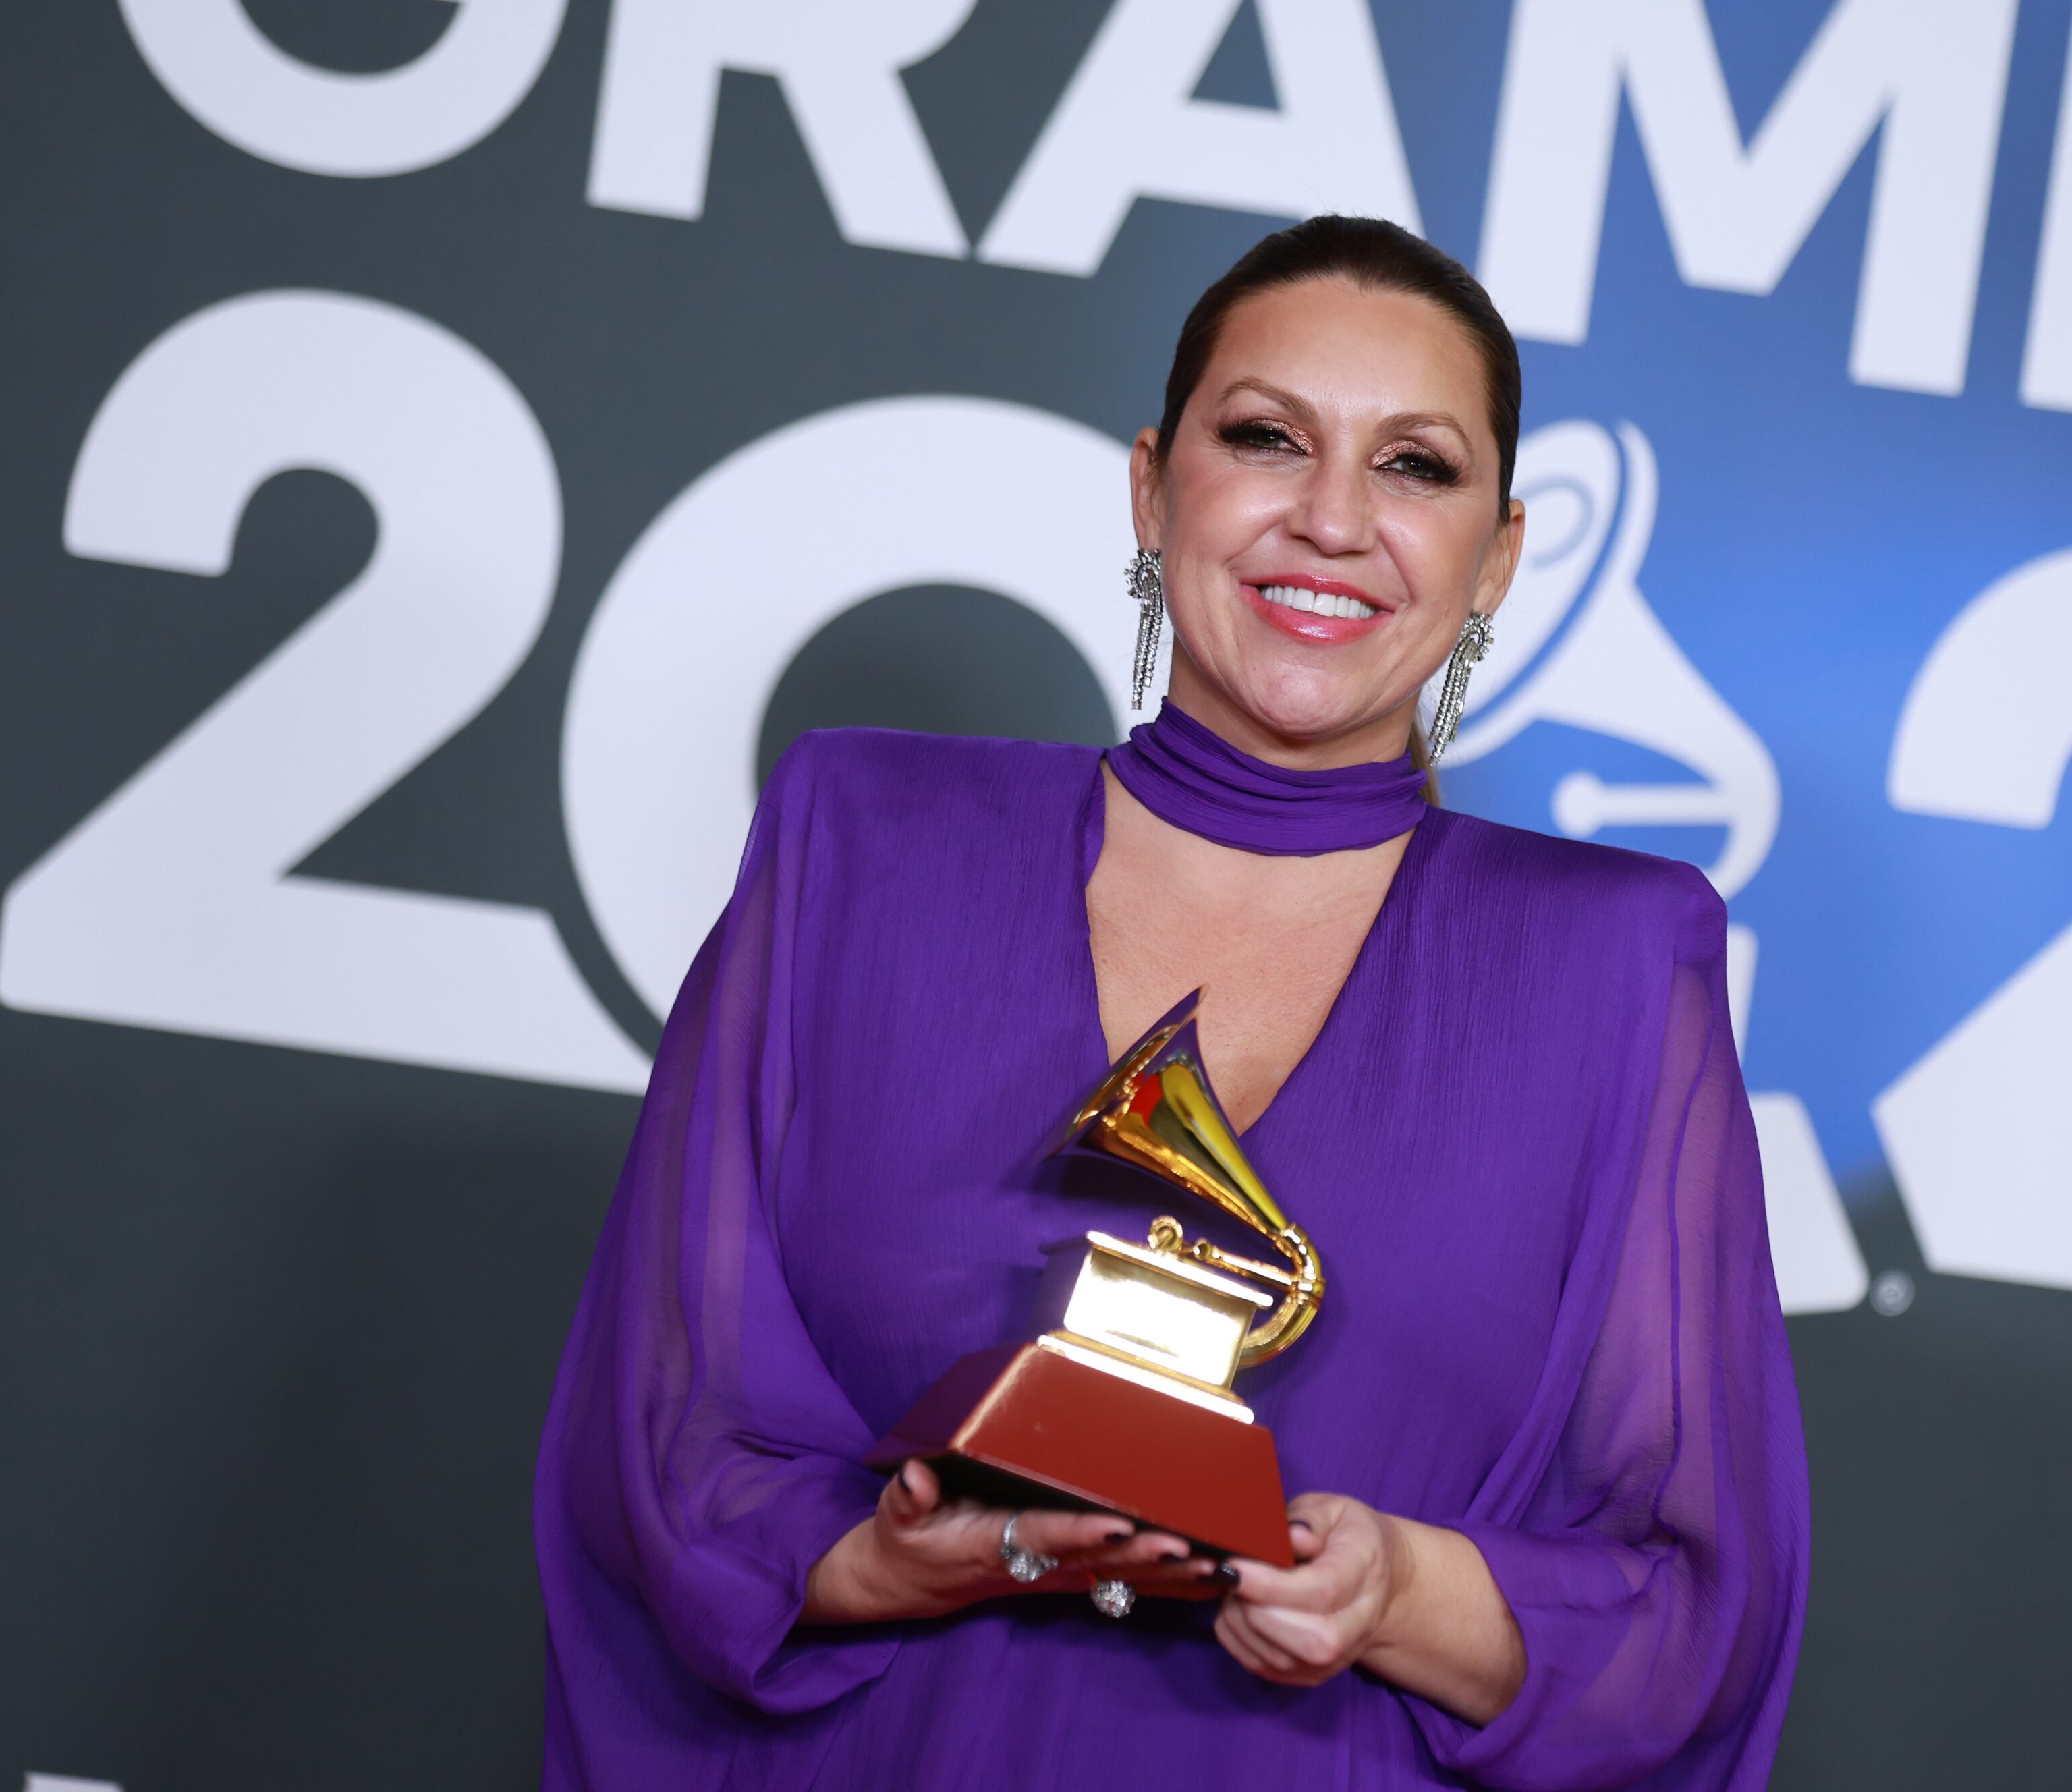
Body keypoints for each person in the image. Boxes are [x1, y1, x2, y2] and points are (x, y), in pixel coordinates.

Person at [535, 215, 1809, 1789]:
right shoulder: (858, 839)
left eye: (1416, 467)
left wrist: (1395, 1589)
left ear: (1496, 557)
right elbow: (665, 1440)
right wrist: (890, 1557)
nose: (1333, 518)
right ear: (1153, 486)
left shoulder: (1617, 962)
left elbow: (1686, 1609)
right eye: (1268, 437)